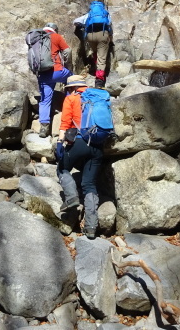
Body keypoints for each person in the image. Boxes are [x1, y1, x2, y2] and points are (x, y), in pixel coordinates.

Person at [56, 75, 103, 239]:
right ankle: (91, 227)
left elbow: (64, 124)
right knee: (89, 184)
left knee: (62, 168)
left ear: (71, 88)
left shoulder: (71, 99)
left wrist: (59, 143)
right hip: (98, 146)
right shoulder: (97, 97)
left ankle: (71, 198)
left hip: (79, 142)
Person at [37, 23, 72, 138]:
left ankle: (44, 128)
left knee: (45, 100)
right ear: (55, 29)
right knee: (71, 77)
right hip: (57, 71)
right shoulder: (56, 36)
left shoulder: (37, 38)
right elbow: (67, 51)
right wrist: (67, 65)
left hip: (42, 74)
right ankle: (69, 103)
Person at [73, 1, 113, 88]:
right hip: (103, 35)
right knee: (102, 58)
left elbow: (75, 21)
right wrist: (110, 39)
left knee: (95, 52)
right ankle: (99, 81)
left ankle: (95, 67)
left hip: (90, 36)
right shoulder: (105, 14)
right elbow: (109, 25)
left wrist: (83, 26)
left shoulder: (89, 15)